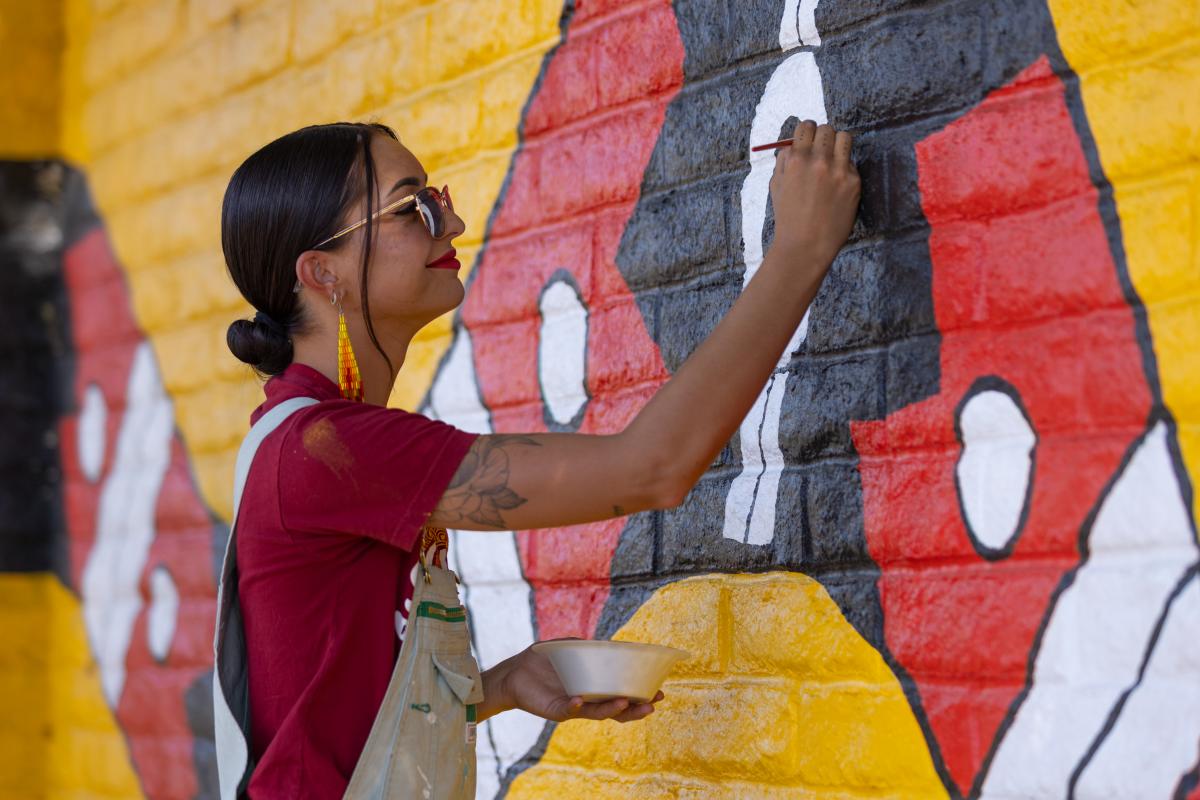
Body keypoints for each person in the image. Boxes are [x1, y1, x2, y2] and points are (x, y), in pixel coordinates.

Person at [217, 118, 859, 798]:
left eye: (438, 198)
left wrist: (502, 684)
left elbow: (328, 709)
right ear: (323, 273)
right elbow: (652, 468)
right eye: (413, 208)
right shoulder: (326, 449)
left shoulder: (313, 440)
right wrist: (800, 249)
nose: (453, 222)